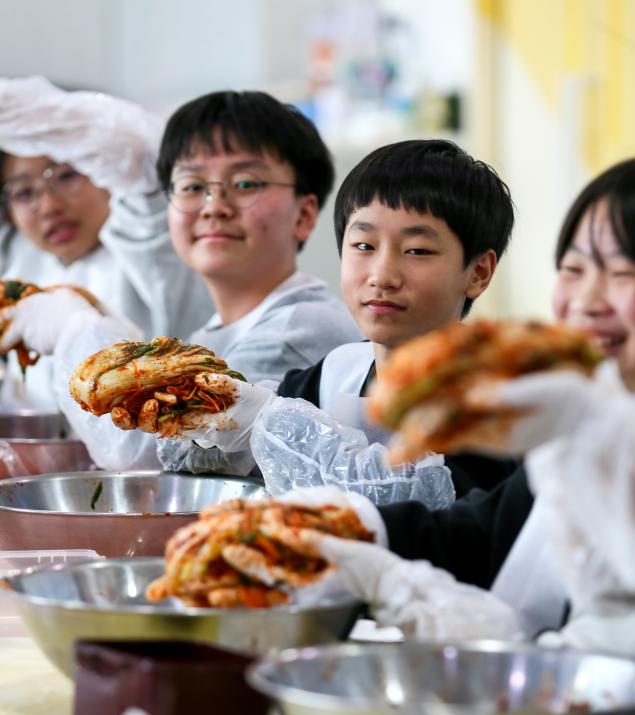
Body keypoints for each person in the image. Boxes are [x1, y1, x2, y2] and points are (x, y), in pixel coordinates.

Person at [301, 157, 635, 650]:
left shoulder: (553, 414)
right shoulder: (585, 419)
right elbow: (481, 534)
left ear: (478, 272)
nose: (586, 300)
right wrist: (356, 532)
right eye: (574, 268)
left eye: (624, 273)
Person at [1, 87, 358, 469]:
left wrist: (74, 328)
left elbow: (151, 457)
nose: (214, 206)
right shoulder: (216, 332)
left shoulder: (298, 331)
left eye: (245, 184)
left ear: (303, 216)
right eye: (192, 187)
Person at [160, 139, 517, 504]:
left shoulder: (500, 397)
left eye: (417, 251)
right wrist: (200, 420)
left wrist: (266, 426)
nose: (382, 275)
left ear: (478, 272)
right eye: (364, 246)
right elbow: (217, 456)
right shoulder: (336, 372)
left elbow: (436, 512)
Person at [0, 75, 212, 413]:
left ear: (104, 171)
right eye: (24, 192)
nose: (49, 206)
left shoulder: (150, 249)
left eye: (67, 175)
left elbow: (145, 174)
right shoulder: (20, 260)